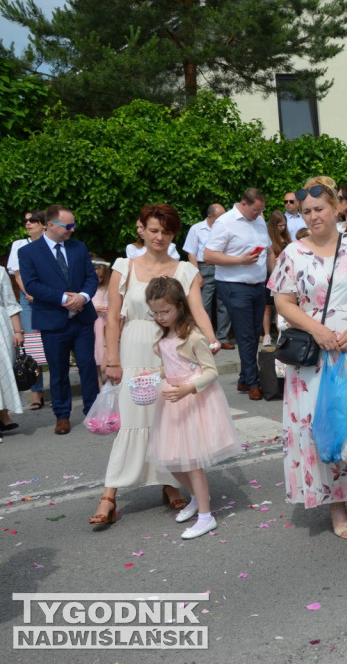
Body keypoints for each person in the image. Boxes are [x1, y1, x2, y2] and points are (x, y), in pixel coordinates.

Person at [268, 177, 347, 539]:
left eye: (319, 209)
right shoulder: (294, 253)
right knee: (322, 423)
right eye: (306, 211)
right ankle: (336, 503)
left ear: (337, 208)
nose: (313, 216)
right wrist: (319, 331)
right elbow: (283, 301)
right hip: (316, 349)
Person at [89, 204, 220, 526]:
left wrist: (211, 340)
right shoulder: (124, 266)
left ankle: (169, 484)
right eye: (154, 229)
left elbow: (198, 311)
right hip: (133, 349)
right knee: (133, 422)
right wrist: (111, 358)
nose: (159, 237)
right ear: (141, 229)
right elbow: (112, 318)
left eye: (166, 231)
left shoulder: (185, 270)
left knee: (168, 425)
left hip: (173, 353)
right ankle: (109, 495)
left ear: (174, 234)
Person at [145, 277, 240, 539]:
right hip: (173, 401)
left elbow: (211, 371)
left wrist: (189, 388)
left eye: (165, 311)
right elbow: (172, 365)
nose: (160, 317)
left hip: (193, 400)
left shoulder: (194, 336)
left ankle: (206, 516)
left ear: (179, 306)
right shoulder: (164, 334)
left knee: (193, 462)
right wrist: (153, 373)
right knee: (172, 461)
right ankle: (198, 498)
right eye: (155, 312)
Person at [18, 205, 100, 435]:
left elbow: (91, 278)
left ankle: (92, 411)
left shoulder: (79, 247)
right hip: (52, 321)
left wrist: (82, 297)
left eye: (73, 225)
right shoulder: (29, 252)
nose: (72, 230)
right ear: (51, 224)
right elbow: (32, 284)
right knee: (58, 370)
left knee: (87, 367)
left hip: (82, 319)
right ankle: (62, 415)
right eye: (68, 226)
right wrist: (64, 298)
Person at [203, 188, 271, 400]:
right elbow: (208, 255)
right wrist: (239, 260)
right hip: (234, 285)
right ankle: (253, 382)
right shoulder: (225, 222)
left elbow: (268, 250)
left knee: (252, 332)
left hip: (257, 284)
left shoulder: (259, 220)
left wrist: (275, 276)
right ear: (243, 203)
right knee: (246, 335)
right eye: (255, 210)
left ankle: (244, 378)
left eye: (261, 210)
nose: (258, 214)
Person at [7, 210, 46, 409]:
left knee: (54, 344)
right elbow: (18, 274)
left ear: (44, 223)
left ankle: (57, 390)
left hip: (50, 298)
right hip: (28, 298)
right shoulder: (19, 245)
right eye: (25, 221)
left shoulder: (50, 244)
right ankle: (37, 392)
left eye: (33, 220)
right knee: (32, 348)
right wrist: (31, 293)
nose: (28, 224)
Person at [183, 203, 233, 349]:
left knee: (224, 303)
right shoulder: (197, 228)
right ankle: (205, 337)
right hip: (204, 267)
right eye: (220, 216)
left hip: (222, 266)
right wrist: (196, 273)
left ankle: (223, 337)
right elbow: (191, 253)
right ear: (210, 216)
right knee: (203, 304)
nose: (224, 218)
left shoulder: (226, 228)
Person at [0, 269, 25, 442]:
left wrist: (18, 331)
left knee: (4, 373)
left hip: (1, 328)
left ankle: (3, 415)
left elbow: (10, 303)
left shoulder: (0, 272)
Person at [265, 210, 292, 346]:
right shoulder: (269, 239)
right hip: (273, 275)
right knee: (269, 307)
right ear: (274, 226)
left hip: (286, 275)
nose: (283, 228)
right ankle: (267, 334)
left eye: (284, 225)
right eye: (280, 225)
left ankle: (281, 332)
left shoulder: (286, 238)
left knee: (282, 307)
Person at [91, 255, 111, 384]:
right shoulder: (88, 290)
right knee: (95, 354)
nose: (98, 280)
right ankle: (98, 386)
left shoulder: (107, 288)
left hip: (105, 324)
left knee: (106, 352)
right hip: (94, 324)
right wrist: (95, 308)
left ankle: (110, 384)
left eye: (101, 277)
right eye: (96, 277)